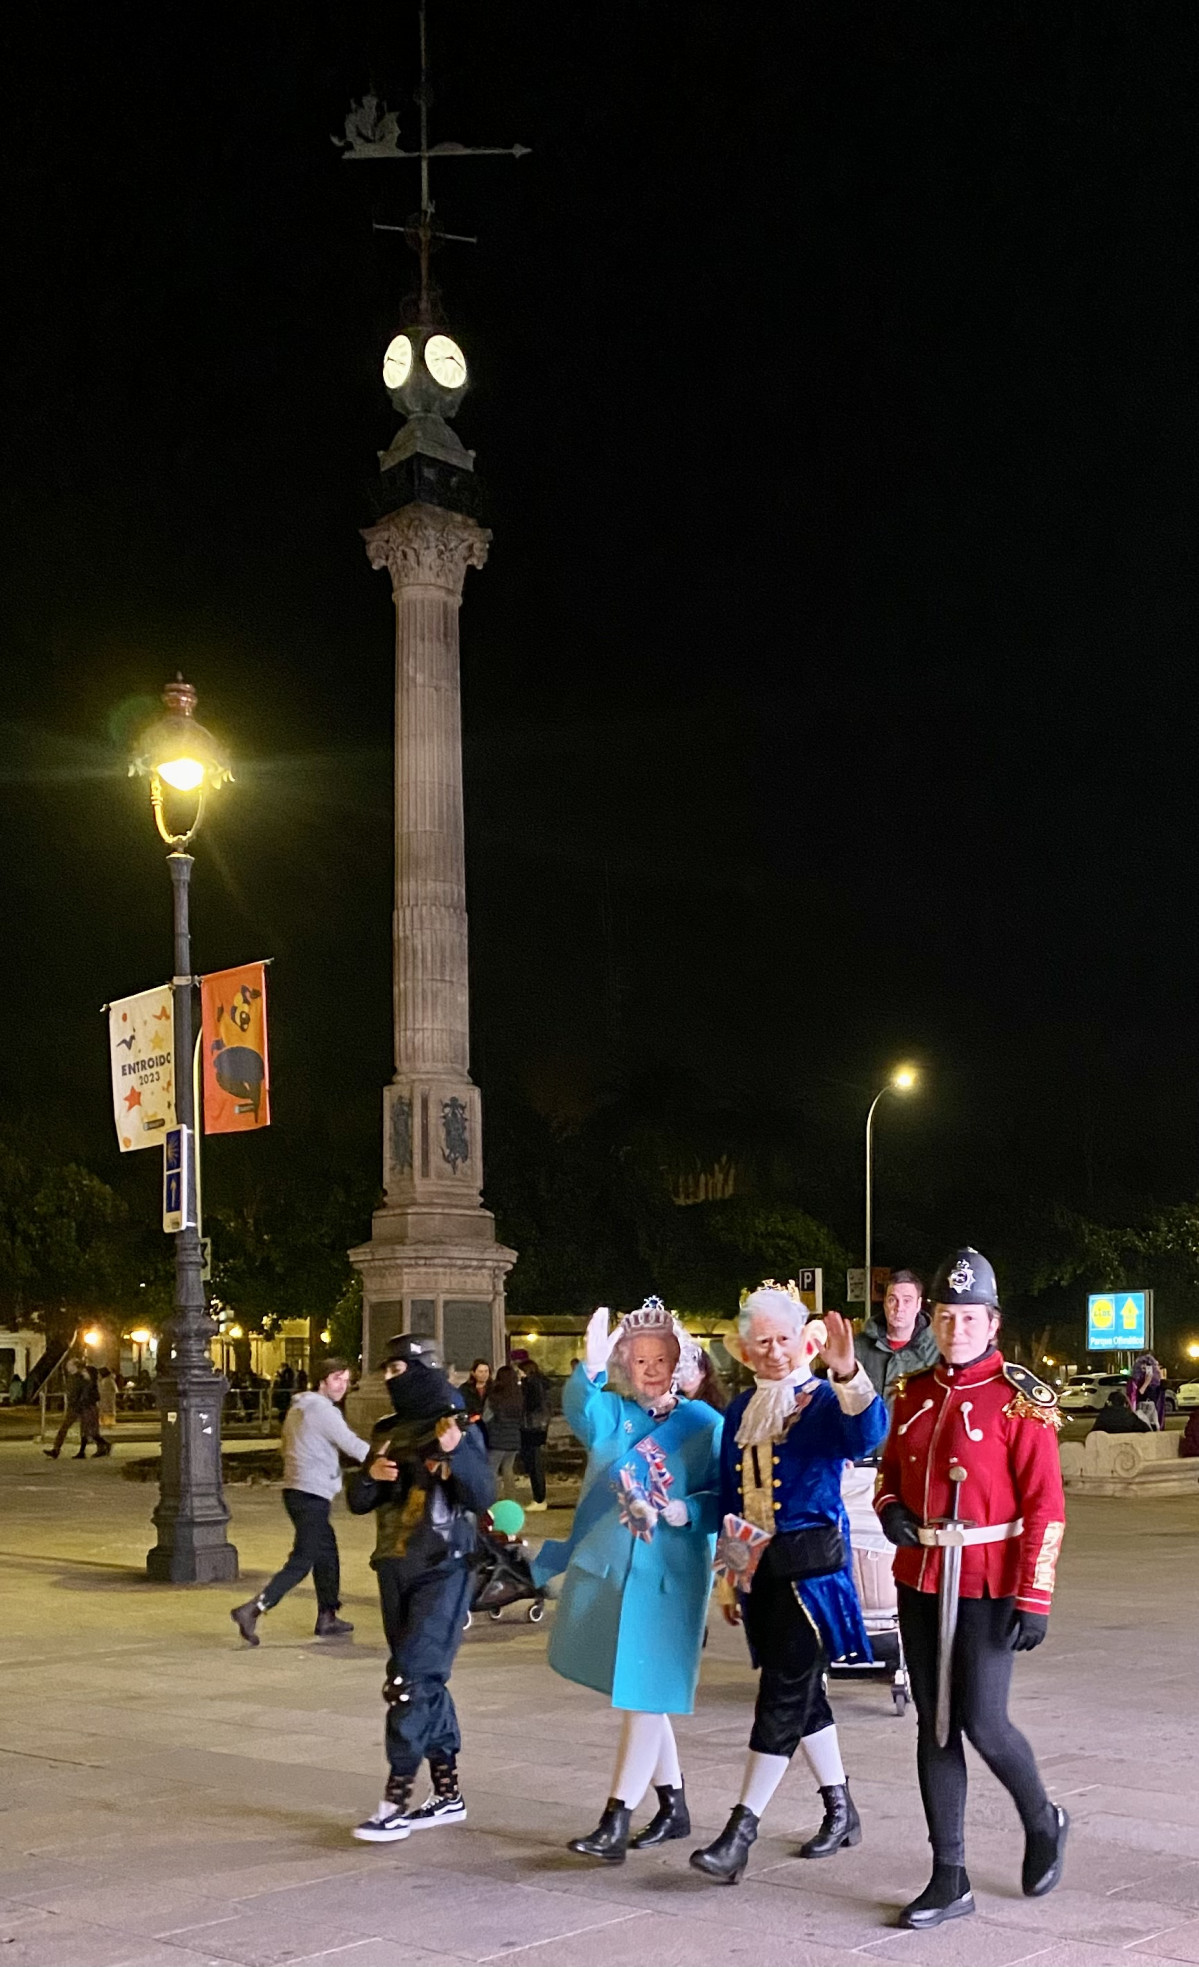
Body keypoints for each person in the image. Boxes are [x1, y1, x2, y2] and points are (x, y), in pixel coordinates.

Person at [876, 1247, 1068, 1931]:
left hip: (988, 1584)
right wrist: (891, 1506)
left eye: (969, 1316)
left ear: (992, 1322)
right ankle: (948, 1873)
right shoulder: (911, 1393)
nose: (957, 1327)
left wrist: (1034, 1595)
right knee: (934, 1725)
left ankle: (1043, 1818)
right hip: (921, 1578)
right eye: (946, 1315)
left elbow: (1045, 1505)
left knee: (984, 1722)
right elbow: (890, 1473)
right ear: (933, 1318)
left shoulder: (1019, 1400)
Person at [690, 1282, 887, 1885]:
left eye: (783, 1339)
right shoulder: (737, 1413)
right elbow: (729, 1499)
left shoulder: (826, 1401)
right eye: (761, 1342)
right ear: (746, 1351)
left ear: (805, 1340)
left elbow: (867, 1436)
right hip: (760, 1578)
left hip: (814, 1576)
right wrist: (728, 1578)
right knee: (805, 1698)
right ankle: (842, 1810)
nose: (774, 1351)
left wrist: (849, 1371)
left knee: (780, 1695)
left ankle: (739, 1833)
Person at [532, 1297, 723, 1863]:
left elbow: (726, 1495)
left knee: (644, 1695)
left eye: (659, 1358)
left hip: (672, 1576)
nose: (648, 1369)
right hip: (621, 1573)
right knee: (646, 1693)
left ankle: (616, 1820)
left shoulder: (704, 1423)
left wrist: (690, 1508)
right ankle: (673, 1806)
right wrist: (587, 1368)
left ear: (679, 1361)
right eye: (636, 1360)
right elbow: (581, 1410)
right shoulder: (615, 1415)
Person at [346, 1333, 495, 1842]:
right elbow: (360, 1501)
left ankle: (395, 1800)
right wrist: (369, 1475)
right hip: (393, 1565)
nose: (391, 1381)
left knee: (410, 1682)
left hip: (444, 1566)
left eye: (397, 1371)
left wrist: (458, 1453)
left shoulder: (453, 1422)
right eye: (385, 1372)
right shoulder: (388, 1429)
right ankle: (448, 1793)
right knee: (422, 1680)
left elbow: (480, 1494)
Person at [230, 1356, 370, 1645]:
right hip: (311, 1493)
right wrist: (388, 1459)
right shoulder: (322, 1411)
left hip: (298, 1489)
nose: (342, 1385)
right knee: (303, 1559)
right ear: (322, 1380)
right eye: (336, 1379)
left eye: (346, 1380)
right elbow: (352, 1445)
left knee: (326, 1552)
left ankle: (328, 1615)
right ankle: (253, 1609)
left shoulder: (298, 1408)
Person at [855, 1270, 940, 1411]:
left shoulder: (938, 1350)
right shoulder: (859, 1347)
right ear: (884, 1303)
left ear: (918, 1304)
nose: (899, 1308)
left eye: (907, 1301)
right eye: (892, 1300)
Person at [483, 1364, 524, 1498]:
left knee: (492, 1470)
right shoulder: (518, 1396)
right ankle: (511, 1500)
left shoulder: (494, 1396)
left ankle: (492, 1499)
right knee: (508, 1469)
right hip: (514, 1438)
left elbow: (486, 1417)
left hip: (497, 1438)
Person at [519, 1357, 553, 1511]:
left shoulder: (531, 1385)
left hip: (531, 1427)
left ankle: (539, 1499)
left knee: (534, 1463)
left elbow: (530, 1405)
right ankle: (539, 1497)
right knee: (535, 1462)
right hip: (539, 1426)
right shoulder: (541, 1383)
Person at [679, 1347, 729, 1412]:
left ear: (703, 1371)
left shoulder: (713, 1408)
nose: (685, 1376)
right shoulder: (673, 1402)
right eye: (680, 1370)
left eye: (690, 1370)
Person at [1128, 1353, 1165, 1430]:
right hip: (1140, 1411)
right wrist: (1146, 1383)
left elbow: (1158, 1401)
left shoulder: (1155, 1384)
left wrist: (1161, 1379)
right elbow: (1136, 1397)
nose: (1145, 1371)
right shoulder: (1135, 1383)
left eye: (1148, 1368)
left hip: (1153, 1413)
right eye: (1143, 1369)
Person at [462, 1359, 491, 1442]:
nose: (484, 1374)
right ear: (473, 1373)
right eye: (480, 1372)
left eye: (486, 1371)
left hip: (490, 1429)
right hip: (473, 1426)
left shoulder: (494, 1388)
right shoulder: (465, 1389)